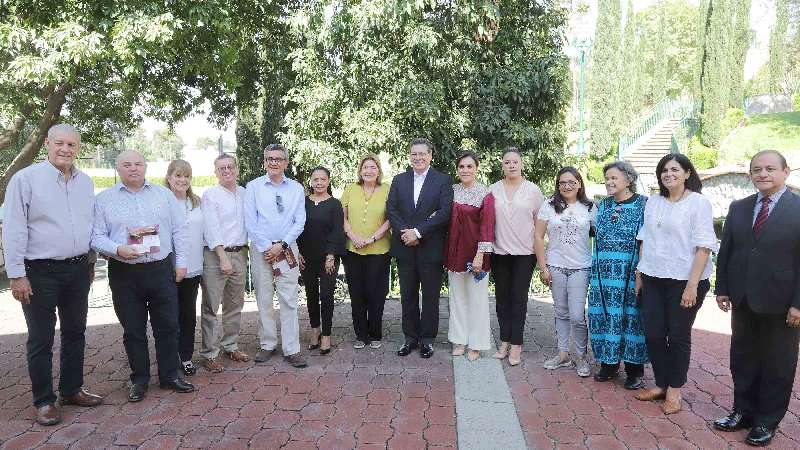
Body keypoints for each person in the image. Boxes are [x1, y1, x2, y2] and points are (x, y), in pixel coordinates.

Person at [2, 124, 103, 425]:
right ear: (47, 143)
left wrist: (91, 262)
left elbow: (89, 224)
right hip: (39, 272)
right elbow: (14, 228)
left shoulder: (85, 182)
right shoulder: (25, 180)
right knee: (41, 338)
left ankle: (71, 389)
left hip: (78, 269)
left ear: (78, 149)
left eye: (72, 145)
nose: (66, 149)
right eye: (60, 143)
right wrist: (17, 274)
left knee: (75, 332)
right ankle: (44, 400)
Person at [91, 150, 194, 402]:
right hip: (124, 273)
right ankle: (139, 380)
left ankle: (169, 375)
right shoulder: (103, 199)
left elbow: (179, 231)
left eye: (138, 164)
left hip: (160, 270)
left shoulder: (164, 195)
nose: (133, 168)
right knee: (133, 330)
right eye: (127, 165)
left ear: (145, 166)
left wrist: (182, 264)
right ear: (118, 168)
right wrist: (117, 249)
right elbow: (95, 236)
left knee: (168, 326)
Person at [713, 150, 800, 446]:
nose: (762, 174)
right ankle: (742, 412)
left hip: (783, 303)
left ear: (785, 172)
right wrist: (722, 287)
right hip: (744, 298)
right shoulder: (739, 207)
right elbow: (727, 251)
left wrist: (798, 303)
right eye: (756, 169)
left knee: (778, 364)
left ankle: (766, 421)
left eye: (769, 169)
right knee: (743, 359)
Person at [634, 154, 717, 415]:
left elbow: (704, 246)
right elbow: (645, 238)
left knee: (678, 336)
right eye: (664, 171)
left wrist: (692, 286)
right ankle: (660, 383)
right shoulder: (654, 202)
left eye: (674, 170)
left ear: (687, 173)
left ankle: (674, 390)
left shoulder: (698, 204)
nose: (668, 174)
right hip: (653, 277)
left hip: (685, 281)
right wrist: (640, 274)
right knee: (654, 334)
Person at [387, 138, 453, 359]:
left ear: (430, 155)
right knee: (407, 295)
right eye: (414, 154)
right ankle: (409, 338)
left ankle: (427, 340)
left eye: (422, 154)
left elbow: (444, 213)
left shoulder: (443, 180)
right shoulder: (399, 180)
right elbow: (392, 210)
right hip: (404, 246)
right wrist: (407, 233)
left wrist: (418, 232)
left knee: (431, 296)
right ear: (409, 156)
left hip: (430, 247)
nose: (418, 157)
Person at [244, 144, 308, 368]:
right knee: (263, 297)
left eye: (278, 159)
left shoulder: (296, 189)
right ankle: (267, 344)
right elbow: (250, 221)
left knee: (289, 299)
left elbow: (299, 221)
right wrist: (266, 247)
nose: (273, 162)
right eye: (269, 158)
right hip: (262, 249)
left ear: (286, 163)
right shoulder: (253, 187)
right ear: (264, 161)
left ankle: (291, 349)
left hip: (287, 248)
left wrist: (281, 245)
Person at [588, 161, 648, 389]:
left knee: (632, 318)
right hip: (603, 275)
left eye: (614, 178)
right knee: (604, 316)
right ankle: (609, 364)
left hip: (630, 273)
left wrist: (640, 272)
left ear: (629, 179)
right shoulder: (602, 206)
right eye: (607, 178)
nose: (609, 182)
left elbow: (647, 240)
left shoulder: (644, 204)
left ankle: (634, 371)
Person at [534, 167, 596, 377]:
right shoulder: (549, 205)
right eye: (562, 183)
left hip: (581, 267)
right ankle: (563, 354)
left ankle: (580, 356)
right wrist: (543, 267)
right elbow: (538, 237)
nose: (567, 186)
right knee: (561, 312)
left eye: (571, 182)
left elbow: (600, 236)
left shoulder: (590, 207)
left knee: (578, 315)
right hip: (556, 265)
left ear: (579, 183)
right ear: (557, 185)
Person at [489, 148, 544, 366]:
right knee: (502, 299)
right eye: (507, 162)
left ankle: (517, 344)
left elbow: (540, 224)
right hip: (499, 252)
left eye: (515, 162)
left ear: (522, 164)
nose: (511, 165)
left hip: (524, 254)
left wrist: (542, 261)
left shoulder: (532, 190)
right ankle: (504, 341)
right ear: (502, 165)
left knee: (518, 298)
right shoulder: (493, 189)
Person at [199, 154, 250, 373]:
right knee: (211, 305)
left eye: (230, 167)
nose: (226, 170)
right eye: (221, 168)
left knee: (234, 304)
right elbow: (211, 227)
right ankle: (209, 353)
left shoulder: (245, 193)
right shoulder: (210, 195)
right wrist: (222, 257)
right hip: (216, 254)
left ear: (237, 170)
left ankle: (230, 345)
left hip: (240, 252)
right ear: (215, 172)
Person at [444, 151, 494, 361]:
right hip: (453, 254)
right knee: (457, 299)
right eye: (461, 167)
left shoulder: (485, 194)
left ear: (476, 168)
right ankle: (459, 339)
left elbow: (487, 226)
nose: (465, 170)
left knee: (477, 301)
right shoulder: (451, 191)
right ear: (457, 169)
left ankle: (476, 343)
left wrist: (480, 256)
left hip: (475, 255)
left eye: (469, 166)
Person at [341, 154, 392, 349]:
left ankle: (375, 334)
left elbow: (390, 219)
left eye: (373, 167)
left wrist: (371, 238)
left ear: (378, 171)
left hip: (379, 250)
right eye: (365, 167)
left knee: (376, 293)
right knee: (357, 293)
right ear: (360, 170)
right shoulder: (350, 189)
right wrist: (352, 236)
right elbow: (342, 216)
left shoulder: (387, 190)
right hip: (353, 250)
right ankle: (361, 335)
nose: (369, 171)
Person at [297, 166, 345, 354]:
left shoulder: (334, 204)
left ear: (328, 181)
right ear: (310, 182)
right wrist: (298, 251)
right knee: (310, 295)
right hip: (306, 257)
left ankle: (326, 334)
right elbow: (297, 227)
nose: (319, 183)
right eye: (315, 179)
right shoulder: (302, 203)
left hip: (328, 259)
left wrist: (331, 255)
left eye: (322, 179)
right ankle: (315, 329)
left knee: (326, 296)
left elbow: (337, 231)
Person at [164, 160, 204, 377]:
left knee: (188, 314)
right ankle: (170, 358)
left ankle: (186, 356)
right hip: (168, 268)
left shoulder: (196, 202)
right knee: (169, 316)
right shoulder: (162, 201)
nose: (182, 180)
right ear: (169, 177)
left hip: (194, 267)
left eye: (186, 176)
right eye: (178, 175)